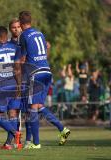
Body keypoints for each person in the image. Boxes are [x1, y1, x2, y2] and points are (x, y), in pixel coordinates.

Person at [14, 11, 70, 149]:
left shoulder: (23, 36)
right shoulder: (39, 33)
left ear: (21, 23)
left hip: (35, 73)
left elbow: (21, 59)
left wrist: (18, 78)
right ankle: (62, 129)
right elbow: (45, 50)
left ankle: (36, 143)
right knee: (38, 106)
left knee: (32, 108)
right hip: (47, 71)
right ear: (31, 21)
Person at [0, 26, 22, 150]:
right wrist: (19, 85)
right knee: (13, 114)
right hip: (14, 83)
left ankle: (14, 133)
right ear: (6, 35)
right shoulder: (15, 47)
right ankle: (9, 144)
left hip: (2, 85)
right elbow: (18, 68)